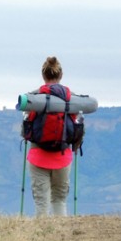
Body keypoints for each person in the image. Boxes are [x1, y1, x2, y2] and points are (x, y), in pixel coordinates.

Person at [25, 56, 76, 217]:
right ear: (61, 75)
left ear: (43, 75)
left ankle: (42, 233)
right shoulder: (70, 98)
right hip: (62, 156)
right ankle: (61, 232)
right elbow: (75, 125)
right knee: (59, 200)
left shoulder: (34, 98)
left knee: (41, 202)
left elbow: (28, 124)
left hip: (38, 156)